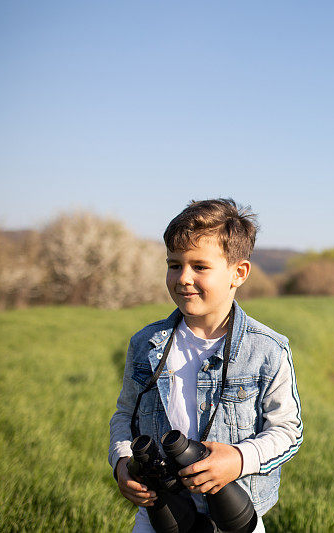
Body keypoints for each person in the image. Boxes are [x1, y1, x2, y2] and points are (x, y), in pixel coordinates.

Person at [109, 198, 303, 533]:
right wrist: (122, 462)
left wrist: (239, 460)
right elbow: (125, 415)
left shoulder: (267, 350)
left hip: (234, 512)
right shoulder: (146, 344)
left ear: (238, 273)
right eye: (174, 265)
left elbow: (288, 431)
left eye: (200, 267)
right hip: (162, 511)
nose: (183, 278)